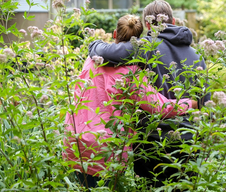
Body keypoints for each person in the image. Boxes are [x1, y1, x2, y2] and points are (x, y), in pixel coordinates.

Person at [62, 14, 198, 189]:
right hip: (107, 149)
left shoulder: (91, 60)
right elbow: (159, 107)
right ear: (137, 41)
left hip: (76, 140)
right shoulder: (131, 72)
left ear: (114, 34)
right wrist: (192, 103)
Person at [88, 0, 211, 187]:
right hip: (190, 140)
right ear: (175, 20)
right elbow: (205, 101)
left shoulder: (146, 46)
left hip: (153, 144)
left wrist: (94, 44)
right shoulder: (197, 55)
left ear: (146, 25)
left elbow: (109, 54)